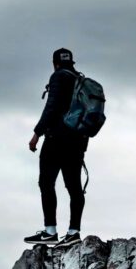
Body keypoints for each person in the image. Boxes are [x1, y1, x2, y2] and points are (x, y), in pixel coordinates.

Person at [24, 48, 88, 247]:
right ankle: (74, 232)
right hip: (77, 141)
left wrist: (36, 134)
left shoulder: (58, 77)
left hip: (56, 139)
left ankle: (50, 231)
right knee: (74, 187)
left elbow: (50, 108)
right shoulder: (80, 80)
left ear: (55, 63)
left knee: (46, 183)